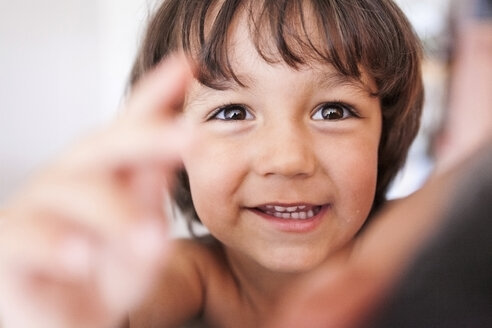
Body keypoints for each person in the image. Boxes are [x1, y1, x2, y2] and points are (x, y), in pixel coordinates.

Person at [0, 1, 424, 327]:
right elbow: (128, 302)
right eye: (233, 113)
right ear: (170, 149)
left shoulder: (410, 245)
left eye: (333, 111)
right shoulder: (192, 273)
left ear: (385, 132)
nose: (288, 159)